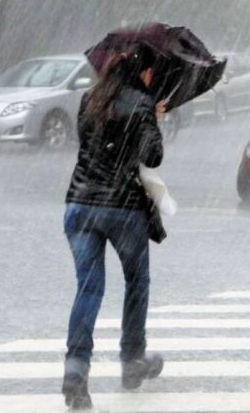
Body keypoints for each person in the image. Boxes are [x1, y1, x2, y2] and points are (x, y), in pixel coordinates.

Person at [62, 42, 166, 410]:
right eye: (153, 72)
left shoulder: (89, 98)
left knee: (88, 290)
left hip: (79, 205)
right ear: (144, 71)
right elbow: (152, 156)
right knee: (137, 282)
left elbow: (90, 145)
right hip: (122, 209)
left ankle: (75, 368)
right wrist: (152, 116)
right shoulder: (141, 103)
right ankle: (132, 361)